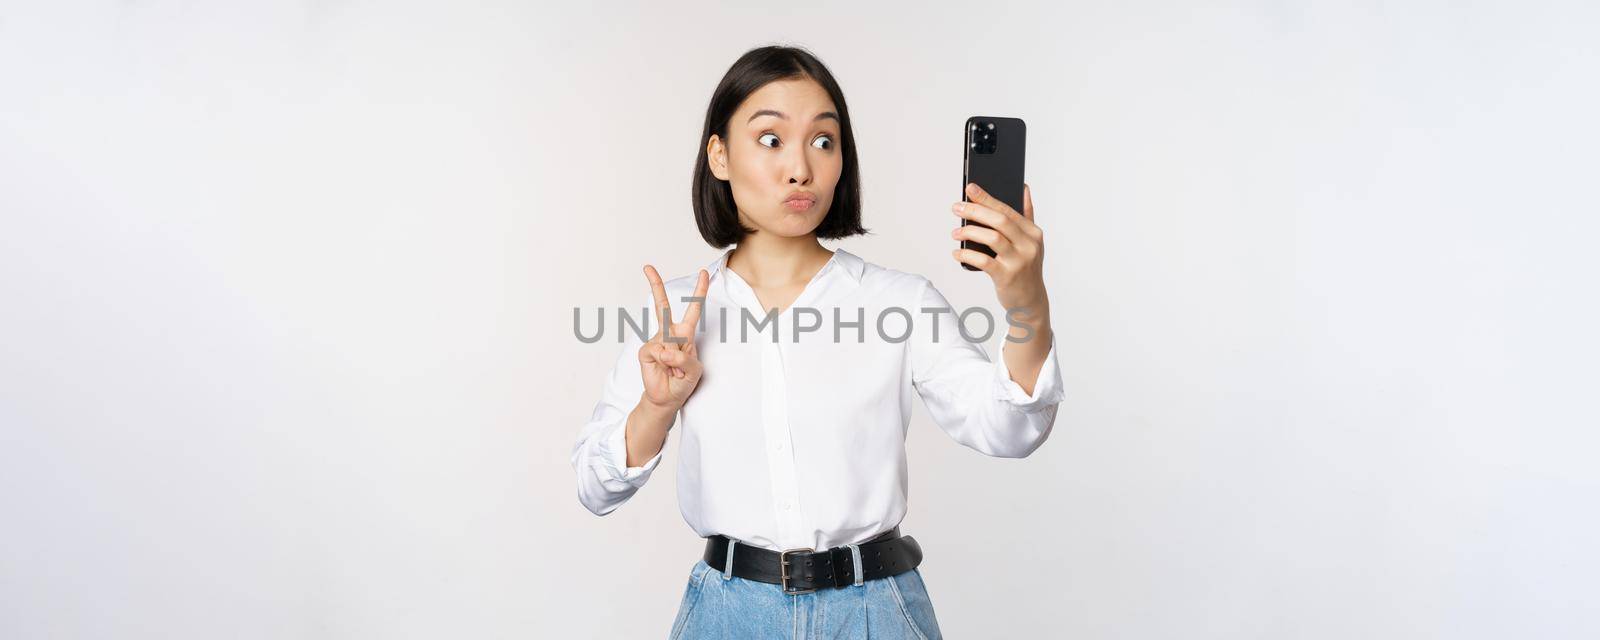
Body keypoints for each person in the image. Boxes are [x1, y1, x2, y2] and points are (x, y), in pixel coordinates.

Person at [570, 45, 1065, 640]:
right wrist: (656, 406)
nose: (800, 168)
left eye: (823, 141)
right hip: (726, 617)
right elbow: (594, 489)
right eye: (771, 139)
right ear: (719, 155)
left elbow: (1012, 431)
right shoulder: (674, 314)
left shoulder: (898, 302)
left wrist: (1026, 301)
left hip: (875, 612)